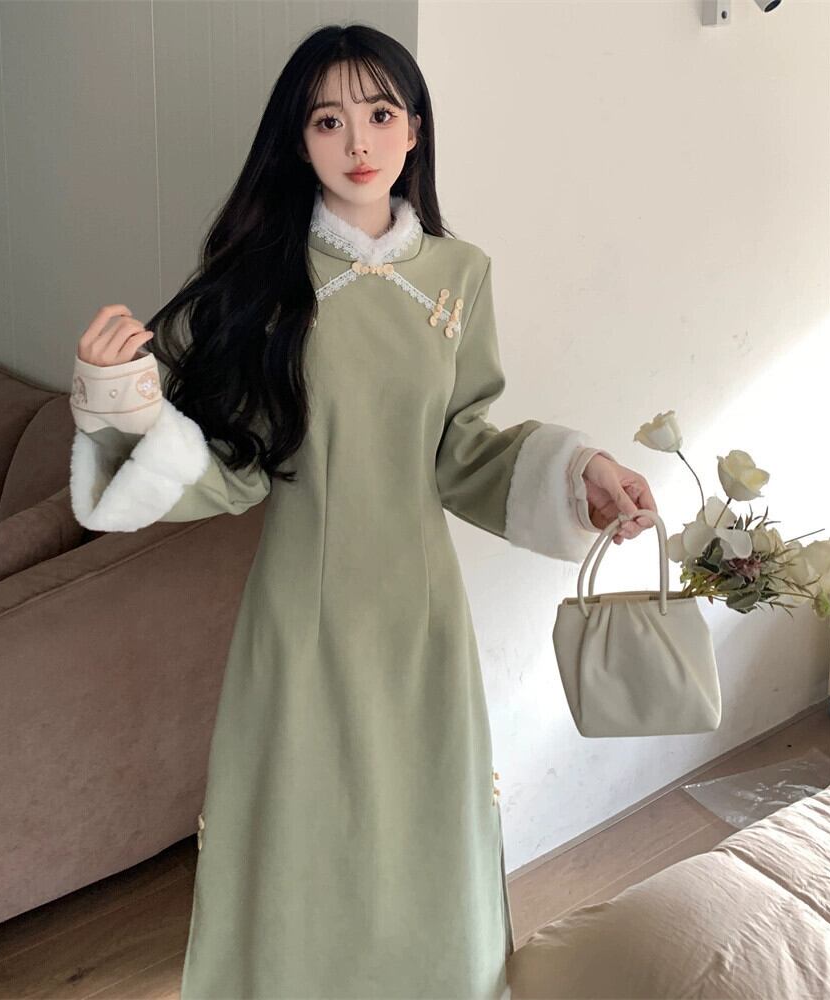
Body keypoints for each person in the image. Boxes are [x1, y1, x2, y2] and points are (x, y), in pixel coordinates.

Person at [68, 23, 658, 1000]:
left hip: (419, 617)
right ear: (298, 141)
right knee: (303, 840)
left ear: (415, 128)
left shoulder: (459, 276)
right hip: (300, 615)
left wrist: (578, 471)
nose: (358, 142)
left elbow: (461, 448)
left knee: (422, 831)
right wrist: (119, 399)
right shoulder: (264, 285)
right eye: (328, 120)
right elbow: (237, 467)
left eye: (380, 114)